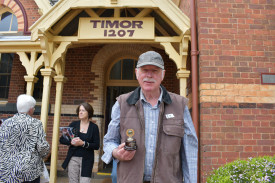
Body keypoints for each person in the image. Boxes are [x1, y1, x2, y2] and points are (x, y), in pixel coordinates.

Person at [101, 51, 198, 183]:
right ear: (137, 73)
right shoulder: (122, 104)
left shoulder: (179, 105)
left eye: (155, 70)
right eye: (145, 70)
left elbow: (190, 151)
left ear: (162, 74)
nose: (149, 75)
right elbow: (109, 141)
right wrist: (115, 152)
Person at [0, 94, 50, 183]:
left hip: (7, 171)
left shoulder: (5, 123)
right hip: (28, 172)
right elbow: (42, 147)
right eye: (34, 108)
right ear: (30, 109)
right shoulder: (35, 123)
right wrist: (46, 151)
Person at [59, 102, 100, 183]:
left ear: (89, 113)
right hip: (73, 158)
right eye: (79, 110)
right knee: (73, 181)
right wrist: (71, 142)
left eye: (83, 110)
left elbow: (96, 145)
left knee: (85, 181)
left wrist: (83, 143)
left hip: (87, 159)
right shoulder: (74, 124)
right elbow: (62, 140)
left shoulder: (94, 127)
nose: (80, 112)